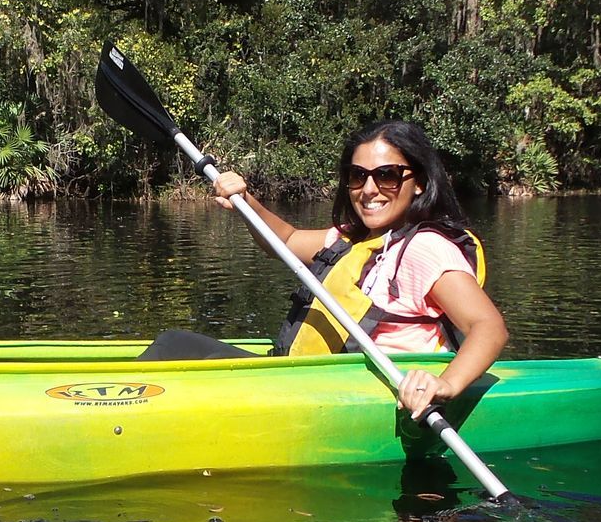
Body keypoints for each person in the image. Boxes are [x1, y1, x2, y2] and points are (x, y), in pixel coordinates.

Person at [211, 120, 508, 420]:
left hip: (359, 396)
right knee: (174, 346)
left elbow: (488, 326)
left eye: (386, 176)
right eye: (358, 176)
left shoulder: (424, 248)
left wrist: (445, 384)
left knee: (172, 348)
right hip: (305, 382)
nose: (368, 190)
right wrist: (245, 201)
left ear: (419, 182)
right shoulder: (351, 240)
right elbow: (285, 241)